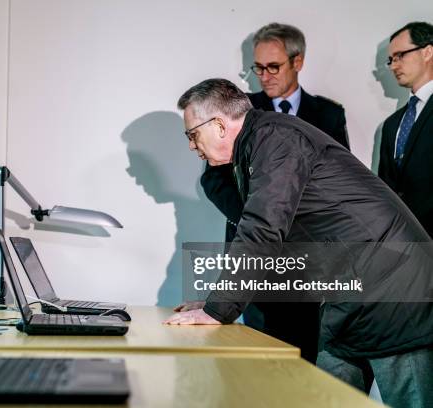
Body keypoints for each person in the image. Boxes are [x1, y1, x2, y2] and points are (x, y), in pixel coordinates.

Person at [165, 78, 433, 407]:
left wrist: (217, 310)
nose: (192, 146)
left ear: (219, 125)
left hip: (393, 291)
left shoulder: (275, 140)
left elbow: (261, 231)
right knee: (325, 399)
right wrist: (214, 306)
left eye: (192, 135)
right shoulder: (259, 144)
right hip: (351, 295)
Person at [199, 22, 350, 364]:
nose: (263, 76)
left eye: (273, 67)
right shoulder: (239, 111)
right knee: (257, 355)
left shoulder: (328, 114)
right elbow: (214, 180)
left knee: (302, 357)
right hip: (254, 251)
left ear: (298, 62)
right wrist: (260, 220)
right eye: (257, 67)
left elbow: (333, 188)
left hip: (306, 260)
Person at [378, 21, 433, 238]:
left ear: (428, 52)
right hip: (401, 246)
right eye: (391, 60)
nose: (393, 66)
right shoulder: (392, 124)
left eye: (400, 55)